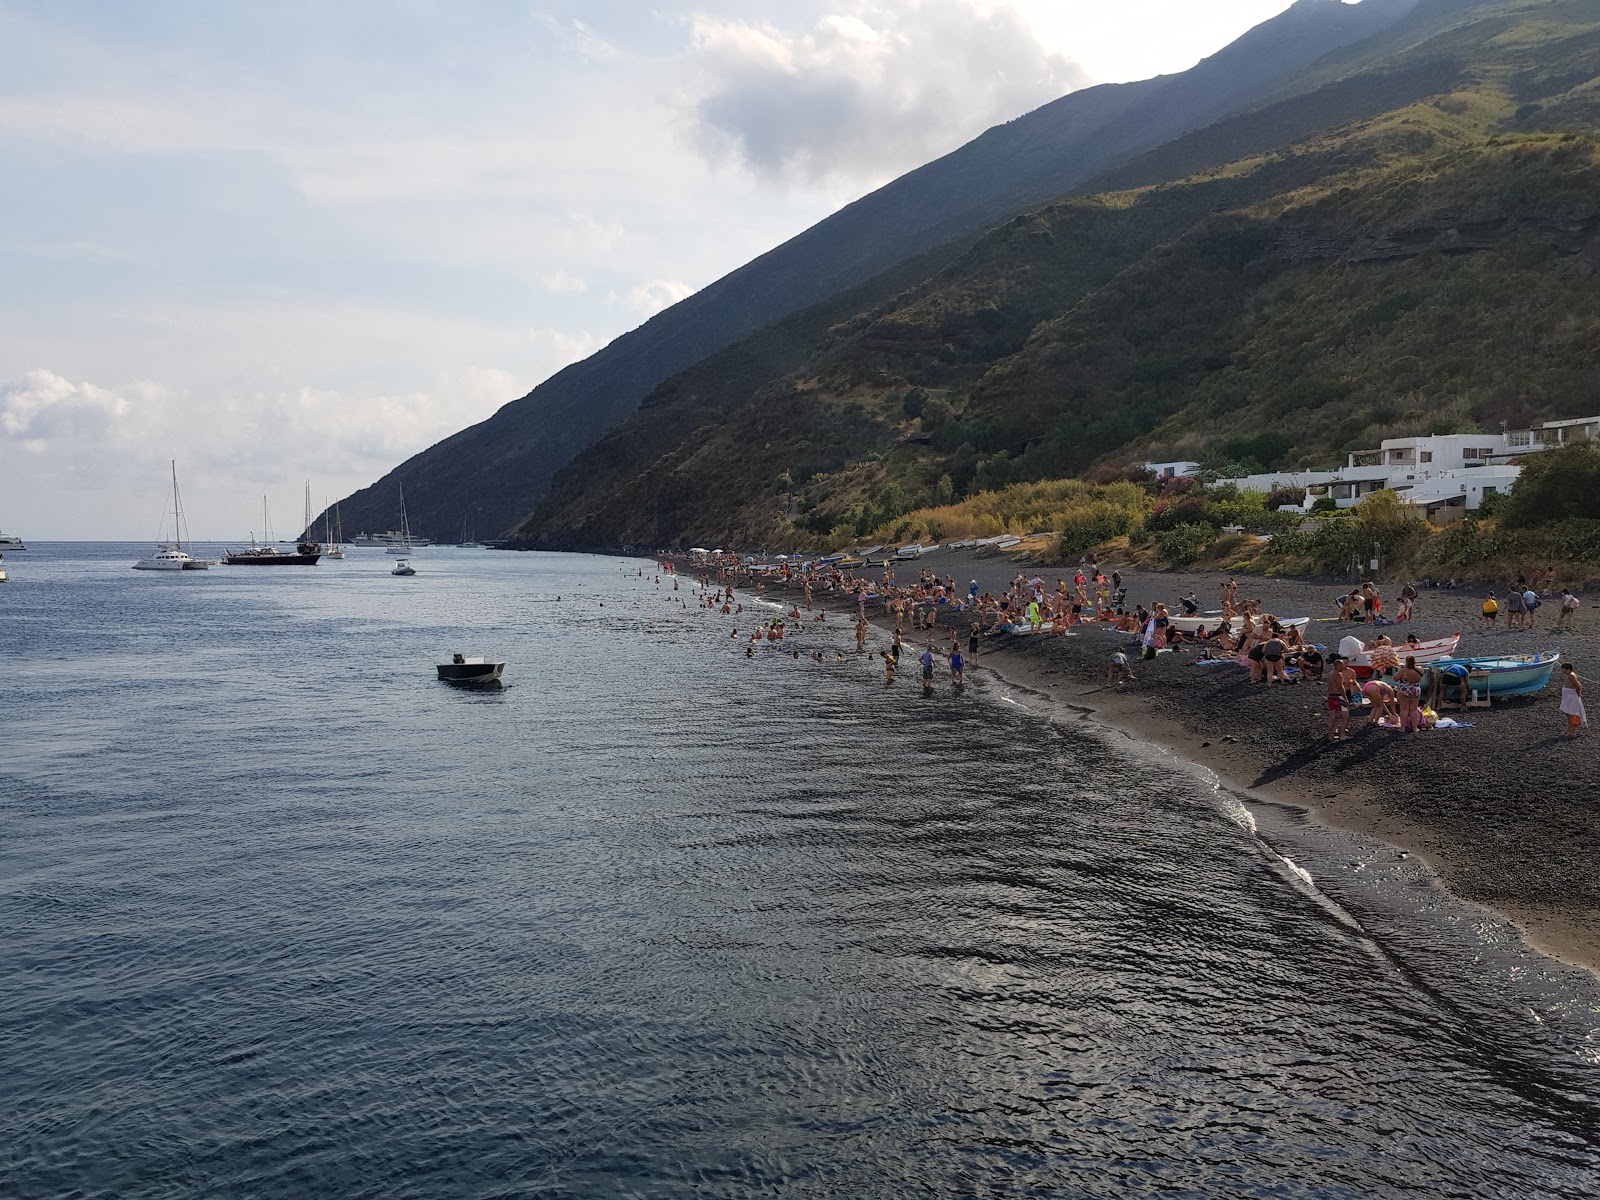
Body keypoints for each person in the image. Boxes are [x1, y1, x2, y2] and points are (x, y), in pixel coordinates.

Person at [1325, 654, 1356, 741]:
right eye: (1343, 664)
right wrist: (1345, 698)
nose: (1344, 666)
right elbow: (1340, 687)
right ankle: (1342, 735)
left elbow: (1328, 687)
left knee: (1332, 717)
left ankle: (1330, 736)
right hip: (1338, 697)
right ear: (1338, 665)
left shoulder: (1329, 674)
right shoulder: (1338, 674)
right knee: (1345, 717)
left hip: (1331, 696)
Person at [1394, 655, 1424, 732]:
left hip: (1405, 690)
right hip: (1415, 690)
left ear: (1406, 661)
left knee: (1404, 709)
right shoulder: (1420, 670)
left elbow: (1395, 679)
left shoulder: (1403, 670)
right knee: (1413, 710)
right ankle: (1415, 728)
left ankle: (1402, 728)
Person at [1559, 664, 1586, 735]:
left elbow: (1578, 685)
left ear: (1568, 669)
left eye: (1563, 669)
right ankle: (1569, 729)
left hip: (1571, 697)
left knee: (1572, 714)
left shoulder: (1571, 676)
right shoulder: (1569, 675)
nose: (1562, 670)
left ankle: (1572, 731)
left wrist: (1578, 693)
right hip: (1568, 697)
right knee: (1568, 713)